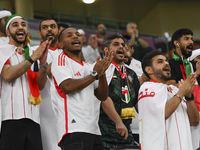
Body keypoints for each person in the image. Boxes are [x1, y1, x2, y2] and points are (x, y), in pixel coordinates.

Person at [51, 27, 113, 150]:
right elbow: (67, 86)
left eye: (77, 34)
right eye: (69, 35)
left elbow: (102, 96)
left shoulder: (89, 66)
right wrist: (95, 74)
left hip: (94, 129)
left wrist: (102, 73)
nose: (75, 36)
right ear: (61, 44)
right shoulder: (60, 60)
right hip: (74, 128)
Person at [0, 14, 50, 150]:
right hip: (10, 119)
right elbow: (8, 75)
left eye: (23, 24)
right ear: (7, 32)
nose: (20, 27)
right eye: (15, 25)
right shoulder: (2, 51)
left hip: (33, 120)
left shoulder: (30, 54)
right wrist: (33, 58)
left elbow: (40, 85)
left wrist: (43, 63)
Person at [139, 50, 199, 150]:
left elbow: (194, 121)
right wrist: (181, 93)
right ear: (149, 70)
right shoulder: (147, 88)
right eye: (160, 61)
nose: (166, 63)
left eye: (166, 61)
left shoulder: (175, 90)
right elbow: (162, 114)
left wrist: (189, 96)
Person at [99, 34, 140, 149]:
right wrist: (118, 122)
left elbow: (137, 102)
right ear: (106, 50)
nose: (121, 47)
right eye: (116, 44)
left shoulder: (131, 74)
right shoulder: (101, 69)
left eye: (123, 45)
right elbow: (104, 98)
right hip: (104, 133)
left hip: (126, 133)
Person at [31, 18, 62, 150]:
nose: (49, 29)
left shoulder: (67, 53)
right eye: (45, 27)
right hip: (45, 112)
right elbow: (36, 83)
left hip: (68, 111)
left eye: (52, 26)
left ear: (58, 31)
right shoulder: (33, 52)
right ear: (39, 34)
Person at [168, 28, 200, 149]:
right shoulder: (169, 64)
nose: (190, 42)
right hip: (180, 115)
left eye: (191, 38)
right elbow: (171, 86)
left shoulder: (194, 65)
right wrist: (196, 73)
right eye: (186, 39)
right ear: (176, 43)